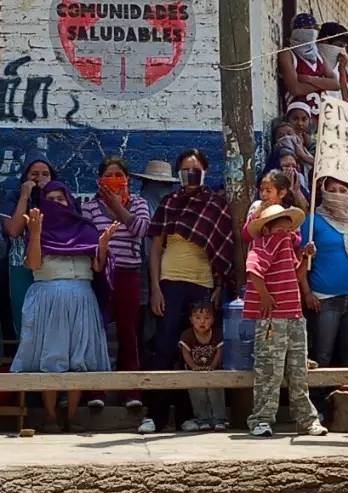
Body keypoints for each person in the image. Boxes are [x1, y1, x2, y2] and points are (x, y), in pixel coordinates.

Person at [142, 149, 234, 434]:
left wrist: (219, 286)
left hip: (202, 286)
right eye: (184, 171)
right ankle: (155, 416)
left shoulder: (216, 206)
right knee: (165, 347)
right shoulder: (169, 203)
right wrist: (155, 288)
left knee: (195, 349)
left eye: (195, 170)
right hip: (170, 283)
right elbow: (156, 249)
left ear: (205, 172)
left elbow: (223, 252)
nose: (190, 176)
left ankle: (188, 415)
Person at [10, 181, 113, 432]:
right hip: (49, 298)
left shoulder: (85, 229)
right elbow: (33, 264)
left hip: (81, 297)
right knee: (51, 356)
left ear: (70, 201)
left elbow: (98, 268)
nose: (56, 203)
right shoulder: (38, 228)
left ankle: (73, 414)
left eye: (61, 199)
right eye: (51, 199)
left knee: (79, 357)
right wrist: (35, 233)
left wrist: (103, 245)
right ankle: (50, 416)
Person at [245, 203, 325, 438]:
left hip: (294, 316)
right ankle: (260, 419)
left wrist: (306, 256)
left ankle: (306, 419)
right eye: (281, 227)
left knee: (298, 372)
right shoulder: (264, 243)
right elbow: (253, 271)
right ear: (268, 229)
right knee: (269, 371)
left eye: (288, 228)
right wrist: (265, 295)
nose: (286, 232)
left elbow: (298, 274)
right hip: (273, 320)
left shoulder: (289, 247)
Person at [82, 156, 151, 410]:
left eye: (118, 175)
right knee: (97, 332)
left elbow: (142, 229)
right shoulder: (89, 208)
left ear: (127, 179)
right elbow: (86, 240)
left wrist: (118, 207)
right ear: (100, 181)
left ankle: (130, 391)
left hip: (128, 274)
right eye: (109, 175)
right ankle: (96, 390)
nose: (114, 180)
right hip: (100, 275)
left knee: (128, 332)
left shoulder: (138, 203)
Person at [300, 177, 348, 386]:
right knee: (322, 354)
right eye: (332, 190)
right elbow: (301, 259)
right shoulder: (312, 221)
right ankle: (319, 405)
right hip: (324, 299)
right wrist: (307, 292)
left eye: (342, 190)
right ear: (323, 193)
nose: (338, 194)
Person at [0, 159, 55, 335]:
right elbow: (14, 230)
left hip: (51, 264)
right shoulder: (14, 197)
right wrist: (25, 196)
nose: (40, 179)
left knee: (50, 316)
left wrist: (47, 195)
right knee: (23, 314)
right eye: (34, 174)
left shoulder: (57, 197)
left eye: (45, 174)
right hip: (20, 264)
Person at [278, 12, 340, 115]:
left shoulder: (319, 56)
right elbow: (296, 89)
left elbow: (336, 84)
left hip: (317, 117)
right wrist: (324, 84)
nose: (311, 31)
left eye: (314, 28)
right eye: (306, 28)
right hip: (296, 117)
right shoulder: (288, 54)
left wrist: (309, 79)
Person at [178, 300, 226, 432]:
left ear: (213, 320)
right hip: (194, 371)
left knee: (216, 392)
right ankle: (203, 419)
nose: (202, 322)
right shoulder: (187, 335)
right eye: (198, 318)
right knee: (197, 393)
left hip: (214, 370)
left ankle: (219, 419)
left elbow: (219, 351)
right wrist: (193, 366)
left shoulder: (217, 334)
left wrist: (213, 366)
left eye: (207, 318)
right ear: (191, 319)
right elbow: (185, 352)